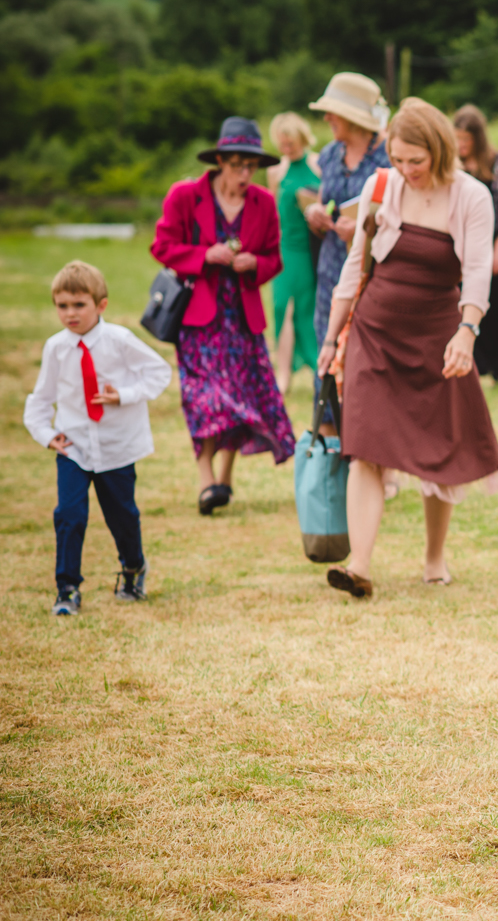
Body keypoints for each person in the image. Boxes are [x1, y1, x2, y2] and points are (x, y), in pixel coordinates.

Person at [319, 99, 498, 599]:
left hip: (437, 333)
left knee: (437, 447)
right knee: (364, 444)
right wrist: (333, 334)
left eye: (415, 161)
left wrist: (466, 331)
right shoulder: (381, 187)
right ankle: (358, 564)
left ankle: (433, 557)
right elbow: (354, 265)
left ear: (440, 151)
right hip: (374, 331)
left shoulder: (471, 196)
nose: (406, 170)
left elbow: (476, 273)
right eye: (398, 160)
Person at [151, 118, 295, 515]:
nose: (245, 173)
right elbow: (162, 245)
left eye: (251, 166)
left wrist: (254, 263)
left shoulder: (264, 203)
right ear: (219, 161)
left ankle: (225, 479)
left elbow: (275, 259)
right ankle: (205, 480)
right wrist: (203, 256)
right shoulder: (185, 196)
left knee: (240, 397)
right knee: (205, 399)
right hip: (198, 316)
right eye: (236, 165)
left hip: (242, 316)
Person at [25, 261, 171, 616]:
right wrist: (47, 434)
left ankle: (133, 567)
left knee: (122, 516)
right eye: (62, 306)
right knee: (69, 514)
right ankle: (68, 588)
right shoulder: (56, 348)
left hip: (117, 447)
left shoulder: (119, 340)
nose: (70, 314)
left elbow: (159, 372)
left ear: (100, 305)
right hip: (74, 446)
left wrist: (122, 393)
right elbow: (40, 400)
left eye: (79, 305)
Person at [306, 73, 390, 420]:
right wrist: (316, 212)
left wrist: (364, 228)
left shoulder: (388, 156)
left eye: (332, 112)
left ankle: (371, 451)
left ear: (353, 117)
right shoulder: (328, 155)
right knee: (327, 355)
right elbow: (329, 202)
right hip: (331, 273)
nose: (326, 119)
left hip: (373, 274)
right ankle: (328, 442)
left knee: (368, 359)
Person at [454, 105, 498, 381]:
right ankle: (476, 363)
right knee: (469, 298)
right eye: (456, 139)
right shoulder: (453, 167)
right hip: (464, 240)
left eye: (465, 140)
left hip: (497, 238)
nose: (461, 145)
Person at [266, 112, 322, 394]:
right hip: (286, 248)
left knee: (306, 308)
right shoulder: (276, 171)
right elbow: (272, 212)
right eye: (283, 144)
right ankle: (283, 373)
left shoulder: (318, 165)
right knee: (280, 307)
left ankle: (316, 365)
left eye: (292, 143)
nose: (287, 149)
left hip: (312, 247)